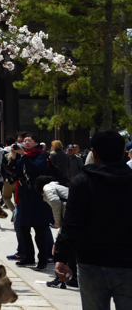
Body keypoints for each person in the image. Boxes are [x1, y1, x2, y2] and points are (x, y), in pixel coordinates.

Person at [54, 130, 132, 309]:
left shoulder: (82, 182)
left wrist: (61, 256)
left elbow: (72, 224)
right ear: (122, 153)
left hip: (91, 262)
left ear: (93, 153)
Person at [12, 132, 54, 270]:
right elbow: (15, 173)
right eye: (24, 141)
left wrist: (23, 156)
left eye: (29, 140)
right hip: (24, 196)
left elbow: (35, 169)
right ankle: (28, 257)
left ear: (36, 142)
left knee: (39, 230)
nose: (26, 142)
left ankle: (42, 259)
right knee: (24, 228)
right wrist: (14, 157)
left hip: (37, 197)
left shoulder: (40, 155)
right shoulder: (23, 156)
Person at [35, 175, 74, 290]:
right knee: (67, 246)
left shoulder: (48, 187)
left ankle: (60, 279)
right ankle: (72, 278)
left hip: (69, 216)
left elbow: (55, 201)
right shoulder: (60, 188)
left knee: (60, 246)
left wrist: (57, 221)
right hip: (74, 215)